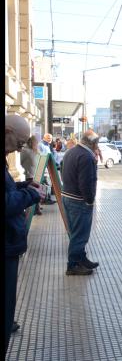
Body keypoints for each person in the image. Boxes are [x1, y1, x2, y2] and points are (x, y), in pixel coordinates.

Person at [4, 115, 46, 357]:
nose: (18, 149)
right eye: (18, 143)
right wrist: (30, 196)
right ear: (7, 130)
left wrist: (24, 187)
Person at [61, 130, 101, 275]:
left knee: (75, 232)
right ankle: (73, 265)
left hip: (68, 196)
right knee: (80, 234)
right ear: (93, 142)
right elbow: (86, 182)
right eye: (97, 143)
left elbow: (62, 170)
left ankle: (81, 258)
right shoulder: (86, 156)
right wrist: (89, 201)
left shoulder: (71, 152)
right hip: (79, 201)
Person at [20, 136, 42, 215]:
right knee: (34, 190)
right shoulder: (30, 151)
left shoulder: (29, 151)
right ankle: (35, 208)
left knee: (32, 191)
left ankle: (35, 209)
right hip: (32, 175)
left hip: (31, 174)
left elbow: (20, 162)